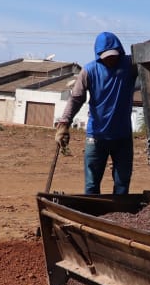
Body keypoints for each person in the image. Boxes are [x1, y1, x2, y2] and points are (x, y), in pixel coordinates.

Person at [54, 31, 137, 195]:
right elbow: (76, 98)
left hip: (122, 137)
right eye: (106, 56)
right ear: (99, 55)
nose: (110, 59)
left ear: (120, 51)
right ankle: (91, 217)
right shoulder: (89, 71)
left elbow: (147, 57)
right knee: (91, 186)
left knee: (122, 185)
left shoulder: (129, 65)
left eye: (113, 55)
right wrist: (64, 125)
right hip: (96, 137)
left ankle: (119, 216)